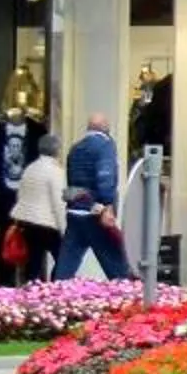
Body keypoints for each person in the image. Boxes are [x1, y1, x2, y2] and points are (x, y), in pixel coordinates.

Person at [52, 115, 132, 280]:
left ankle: (53, 295)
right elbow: (105, 177)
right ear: (106, 129)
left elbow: (71, 179)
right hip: (96, 212)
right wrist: (108, 204)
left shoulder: (75, 148)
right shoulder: (105, 146)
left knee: (66, 266)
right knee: (116, 266)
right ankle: (128, 299)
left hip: (75, 212)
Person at [9, 133, 67, 285]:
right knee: (64, 260)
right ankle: (55, 288)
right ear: (57, 151)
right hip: (47, 223)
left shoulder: (30, 168)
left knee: (34, 262)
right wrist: (64, 229)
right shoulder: (56, 171)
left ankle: (32, 290)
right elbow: (58, 202)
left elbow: (21, 194)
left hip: (28, 222)